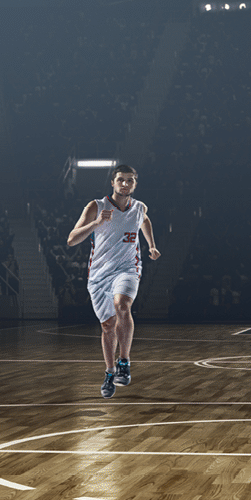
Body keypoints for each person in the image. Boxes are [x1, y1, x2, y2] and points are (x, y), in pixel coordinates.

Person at [66, 166, 157, 398]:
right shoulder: (96, 206)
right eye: (121, 180)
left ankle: (124, 361)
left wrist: (151, 245)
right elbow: (71, 239)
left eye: (130, 181)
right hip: (99, 275)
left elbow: (144, 221)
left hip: (128, 268)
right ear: (112, 182)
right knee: (107, 327)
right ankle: (110, 372)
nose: (125, 184)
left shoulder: (139, 207)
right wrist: (96, 224)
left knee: (122, 306)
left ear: (135, 184)